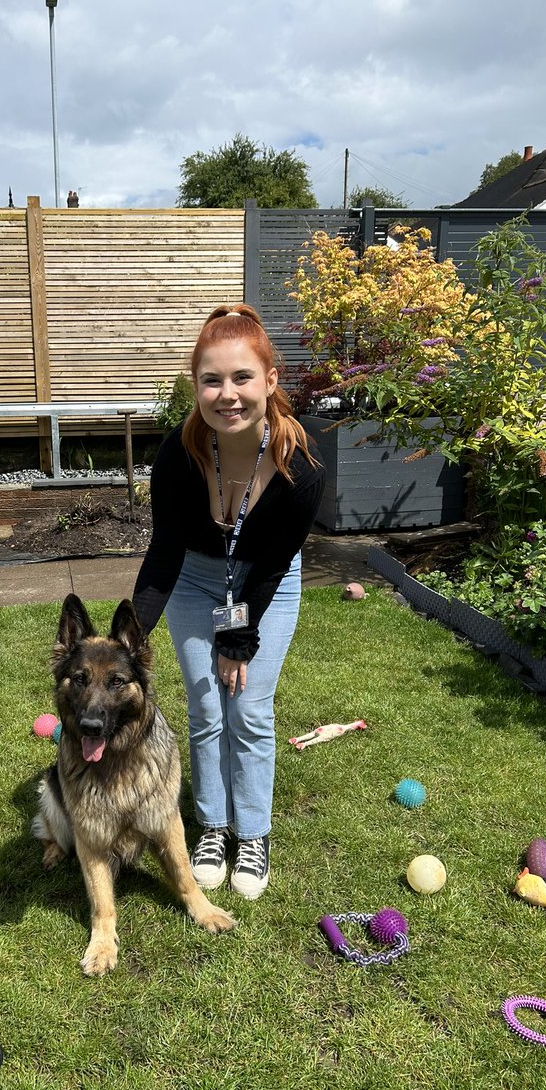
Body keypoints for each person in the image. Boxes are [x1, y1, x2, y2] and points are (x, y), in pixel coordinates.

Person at [132, 304, 325, 900]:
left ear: (270, 381)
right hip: (194, 579)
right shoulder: (177, 456)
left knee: (249, 708)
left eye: (242, 378)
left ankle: (254, 834)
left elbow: (270, 565)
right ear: (196, 386)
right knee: (206, 705)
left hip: (267, 580)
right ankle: (214, 826)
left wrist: (240, 639)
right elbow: (164, 554)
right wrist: (128, 638)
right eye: (211, 380)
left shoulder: (304, 467)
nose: (227, 394)